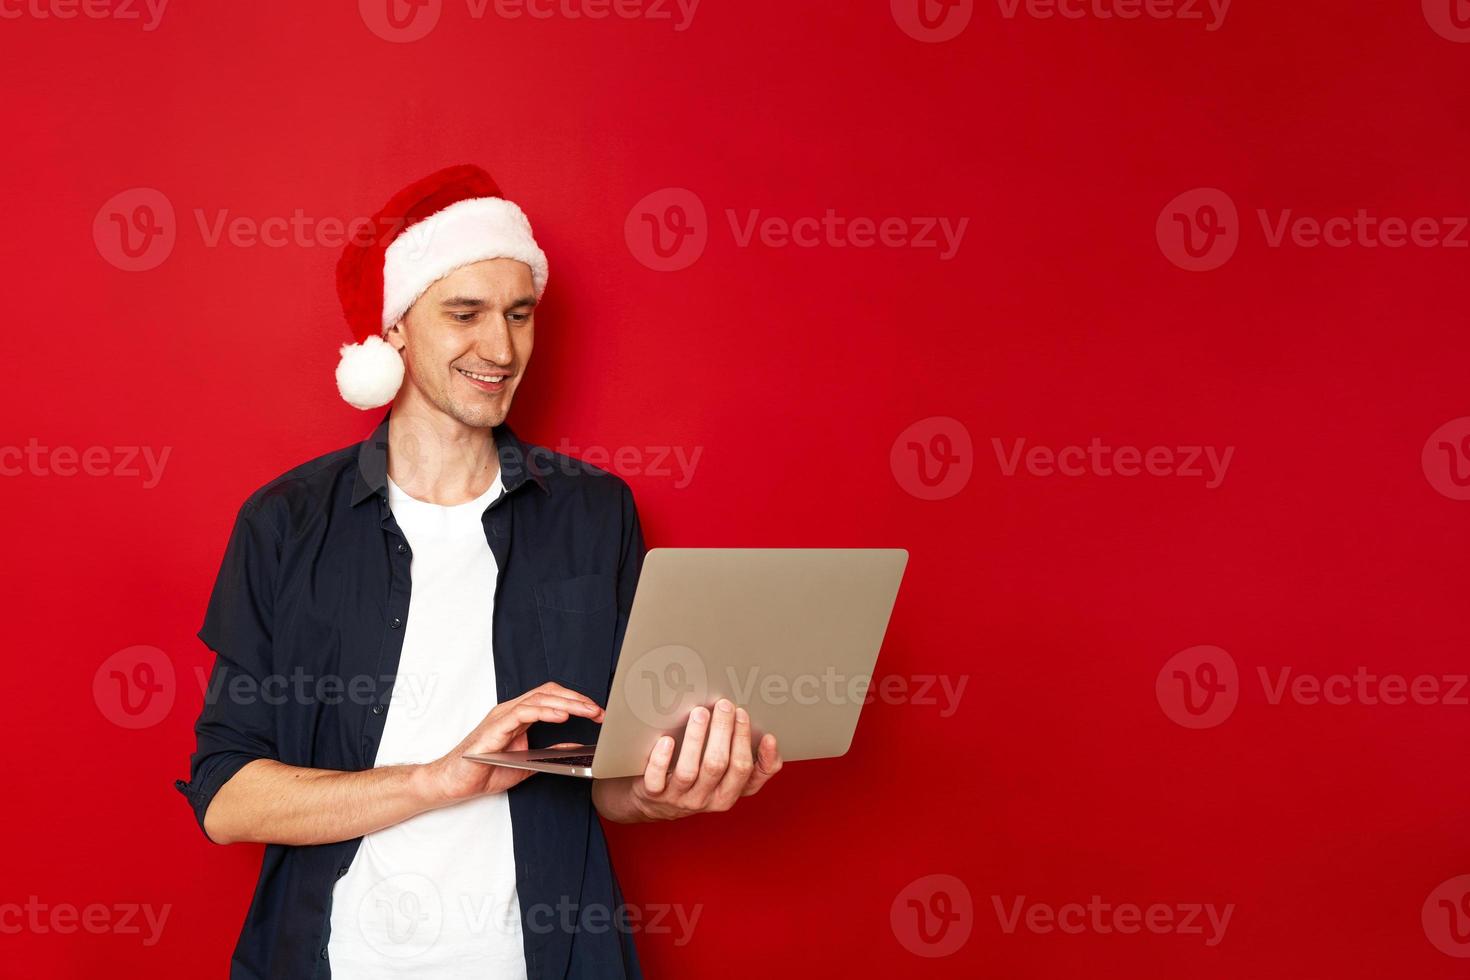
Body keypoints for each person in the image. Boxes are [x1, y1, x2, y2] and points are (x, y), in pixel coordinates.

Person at [174, 164, 783, 979]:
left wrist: (672, 788)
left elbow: (606, 778)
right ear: (394, 328)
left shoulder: (594, 514)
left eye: (518, 314)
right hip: (336, 958)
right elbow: (226, 797)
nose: (500, 349)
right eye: (464, 313)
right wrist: (440, 779)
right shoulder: (285, 522)